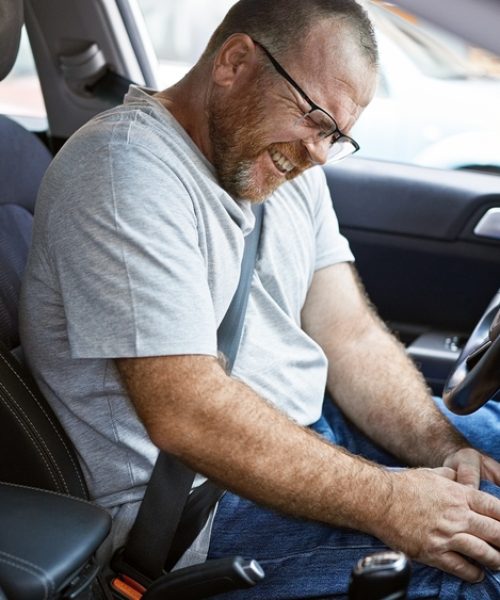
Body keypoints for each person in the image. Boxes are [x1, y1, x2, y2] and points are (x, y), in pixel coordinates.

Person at [19, 0, 500, 597]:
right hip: (199, 506)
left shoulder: (287, 166)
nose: (321, 153)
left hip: (315, 434)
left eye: (338, 135)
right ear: (235, 62)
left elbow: (347, 332)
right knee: (476, 573)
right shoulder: (123, 170)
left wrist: (443, 448)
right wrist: (392, 499)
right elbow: (187, 412)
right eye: (316, 116)